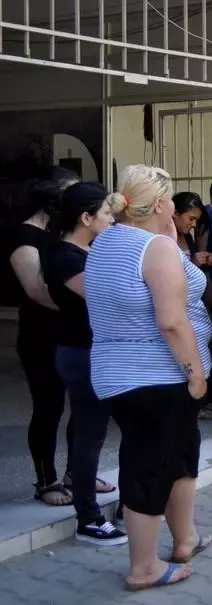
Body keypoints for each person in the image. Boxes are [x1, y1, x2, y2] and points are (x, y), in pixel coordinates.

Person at [86, 164, 212, 592]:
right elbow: (172, 322)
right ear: (160, 204)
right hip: (157, 376)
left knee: (173, 459)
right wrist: (195, 374)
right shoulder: (154, 247)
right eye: (173, 199)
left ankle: (183, 540)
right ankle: (143, 567)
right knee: (149, 467)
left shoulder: (106, 241)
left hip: (115, 372)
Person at [42, 182, 126, 545]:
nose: (112, 220)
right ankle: (88, 518)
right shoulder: (65, 257)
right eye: (107, 213)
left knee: (88, 429)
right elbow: (106, 299)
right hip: (82, 353)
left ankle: (91, 488)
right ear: (86, 217)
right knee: (91, 434)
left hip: (94, 352)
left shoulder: (87, 249)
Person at [8, 167, 78, 506]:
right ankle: (46, 480)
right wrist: (76, 307)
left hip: (68, 333)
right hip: (40, 335)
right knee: (49, 408)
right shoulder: (24, 236)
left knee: (81, 406)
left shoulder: (58, 232)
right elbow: (36, 290)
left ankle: (77, 472)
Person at [172, 192, 212, 271]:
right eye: (191, 219)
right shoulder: (162, 238)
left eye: (196, 220)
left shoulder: (187, 237)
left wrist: (206, 260)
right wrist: (192, 264)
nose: (194, 225)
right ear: (175, 213)